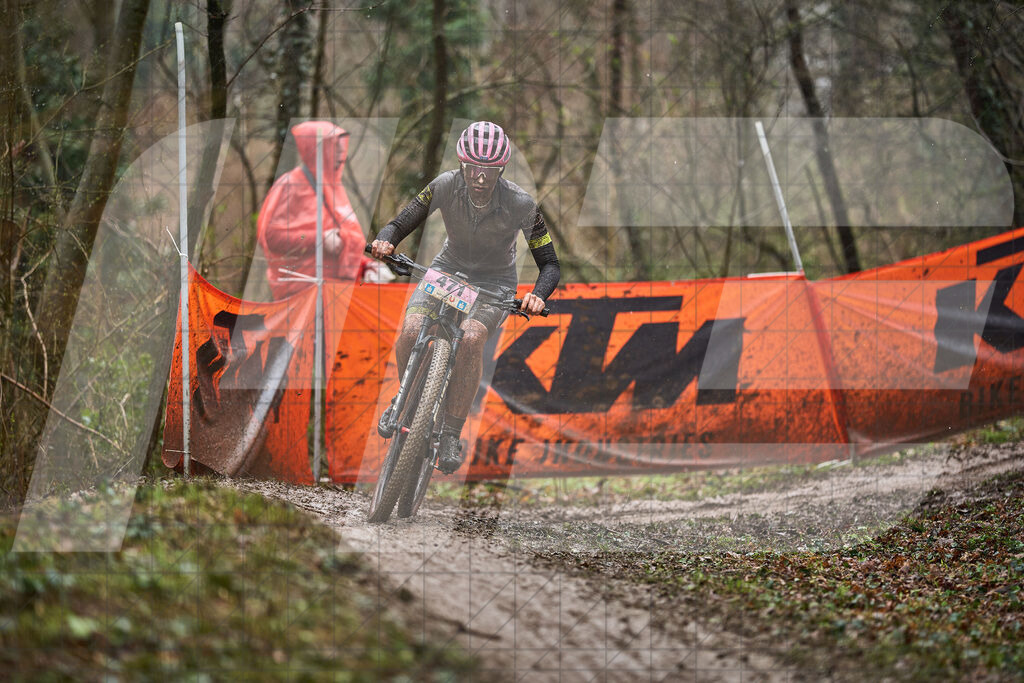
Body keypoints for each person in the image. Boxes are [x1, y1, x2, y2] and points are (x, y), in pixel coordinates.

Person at [371, 121, 560, 475]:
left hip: (495, 282)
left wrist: (537, 295)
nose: (480, 178)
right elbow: (399, 223)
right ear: (462, 165)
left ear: (501, 169)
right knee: (412, 329)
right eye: (473, 168)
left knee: (472, 338)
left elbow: (549, 263)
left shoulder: (521, 204)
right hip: (448, 269)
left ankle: (451, 434)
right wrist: (386, 241)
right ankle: (405, 397)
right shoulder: (444, 185)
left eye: (489, 170)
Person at [258, 121, 389, 299]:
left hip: (334, 294)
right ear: (315, 149)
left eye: (340, 147)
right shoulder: (291, 185)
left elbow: (342, 239)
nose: (340, 153)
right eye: (332, 147)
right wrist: (319, 239)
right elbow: (271, 236)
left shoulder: (334, 188)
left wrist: (364, 265)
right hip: (300, 295)